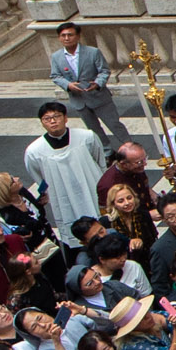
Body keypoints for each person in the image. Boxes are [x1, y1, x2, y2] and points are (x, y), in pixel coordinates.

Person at [23, 102, 106, 244]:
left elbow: (99, 160)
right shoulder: (34, 151)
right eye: (47, 119)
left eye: (57, 116)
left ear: (65, 118)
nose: (53, 121)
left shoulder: (86, 137)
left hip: (90, 186)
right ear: (42, 123)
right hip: (62, 194)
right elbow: (38, 175)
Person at [48, 24, 132, 150]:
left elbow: (104, 70)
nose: (66, 38)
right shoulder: (56, 56)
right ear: (59, 38)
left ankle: (129, 146)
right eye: (63, 35)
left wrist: (98, 83)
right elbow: (55, 76)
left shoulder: (92, 52)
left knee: (114, 124)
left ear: (77, 36)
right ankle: (107, 150)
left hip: (99, 97)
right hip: (79, 100)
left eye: (70, 35)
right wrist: (68, 85)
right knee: (93, 128)